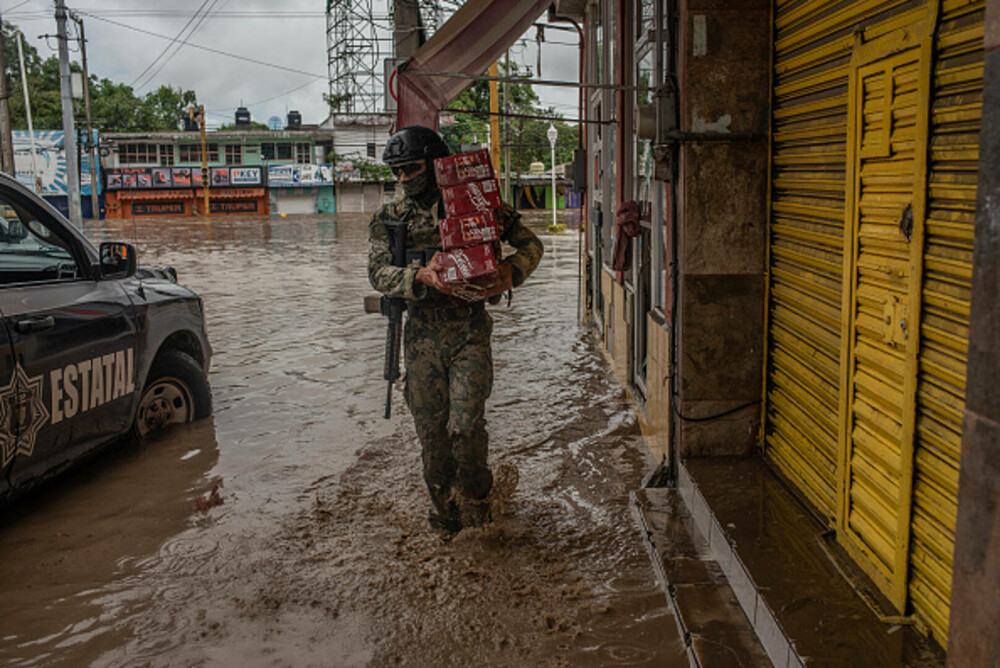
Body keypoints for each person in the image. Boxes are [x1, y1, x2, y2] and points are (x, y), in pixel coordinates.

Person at [368, 125, 544, 532]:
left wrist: (508, 274)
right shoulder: (390, 218)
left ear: (434, 163)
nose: (403, 179)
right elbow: (377, 271)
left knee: (464, 430)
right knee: (433, 441)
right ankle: (446, 520)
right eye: (396, 172)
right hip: (421, 337)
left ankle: (480, 506)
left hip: (469, 332)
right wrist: (421, 276)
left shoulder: (477, 208)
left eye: (410, 169)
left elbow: (532, 244)